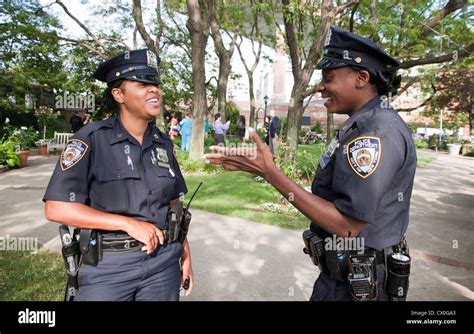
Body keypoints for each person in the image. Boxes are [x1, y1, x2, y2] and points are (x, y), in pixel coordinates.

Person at [205, 26, 415, 301]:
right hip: (347, 279)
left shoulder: (375, 132)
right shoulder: (364, 125)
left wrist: (270, 172)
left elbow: (347, 226)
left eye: (328, 78)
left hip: (357, 288)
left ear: (362, 78)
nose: (320, 87)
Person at [43, 49, 194, 301]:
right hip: (108, 267)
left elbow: (173, 205)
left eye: (155, 84)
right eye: (143, 83)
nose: (154, 90)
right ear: (118, 94)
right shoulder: (90, 139)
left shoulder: (162, 143)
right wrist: (127, 224)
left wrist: (184, 255)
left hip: (163, 264)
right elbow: (56, 209)